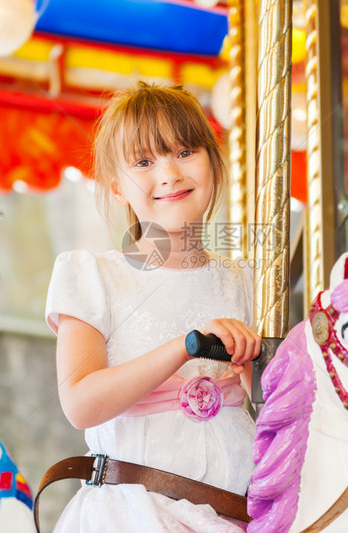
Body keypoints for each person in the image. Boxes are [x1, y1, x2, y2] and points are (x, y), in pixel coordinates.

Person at [44, 82, 261, 532]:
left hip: (235, 512)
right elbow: (81, 403)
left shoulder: (245, 281)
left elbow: (271, 403)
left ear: (213, 162)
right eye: (144, 162)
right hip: (134, 514)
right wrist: (186, 347)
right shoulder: (93, 276)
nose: (169, 173)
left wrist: (251, 367)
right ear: (117, 188)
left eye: (185, 152)